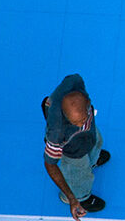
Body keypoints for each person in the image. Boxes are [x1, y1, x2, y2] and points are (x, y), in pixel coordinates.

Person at [41, 73, 109, 217]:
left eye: (83, 119)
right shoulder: (57, 134)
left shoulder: (75, 82)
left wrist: (85, 124)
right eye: (75, 123)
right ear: (65, 115)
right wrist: (72, 198)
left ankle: (93, 160)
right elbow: (50, 165)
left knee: (97, 141)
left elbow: (71, 79)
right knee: (78, 173)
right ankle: (81, 196)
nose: (80, 124)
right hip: (74, 152)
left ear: (87, 103)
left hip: (89, 134)